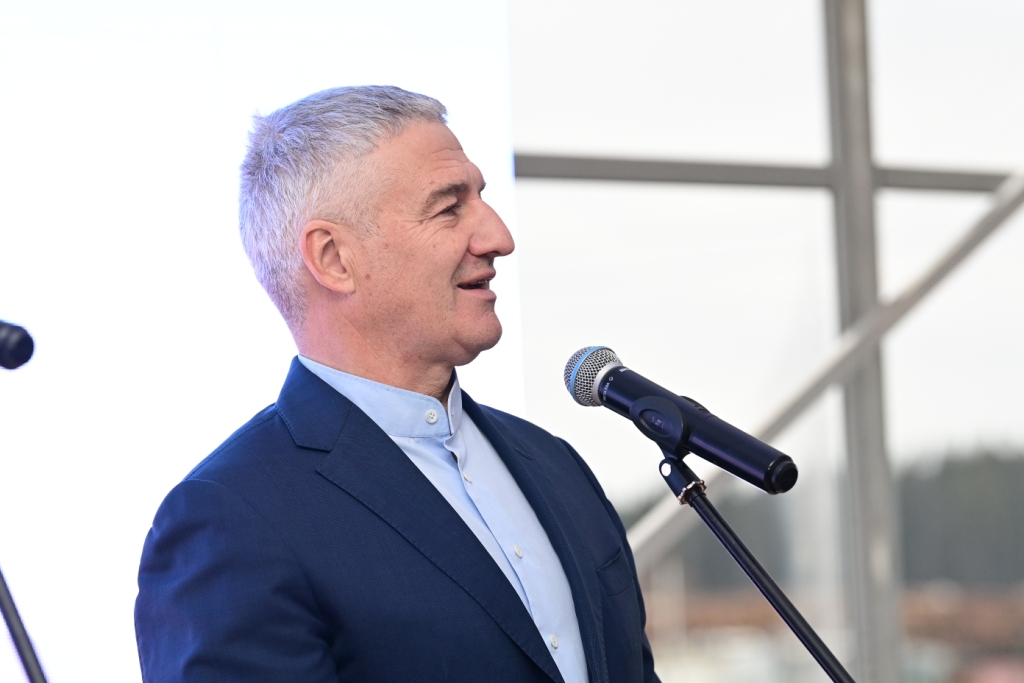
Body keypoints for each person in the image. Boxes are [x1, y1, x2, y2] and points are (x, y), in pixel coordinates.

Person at [134, 85, 659, 683]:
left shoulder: (556, 465)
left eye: (481, 197)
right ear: (333, 258)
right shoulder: (230, 518)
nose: (498, 237)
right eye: (448, 208)